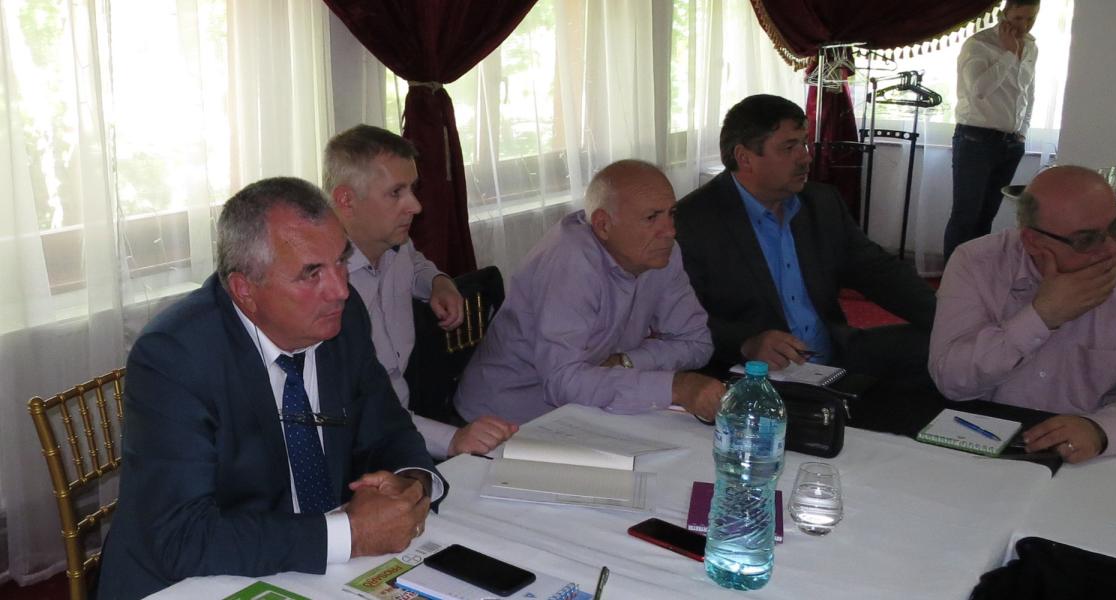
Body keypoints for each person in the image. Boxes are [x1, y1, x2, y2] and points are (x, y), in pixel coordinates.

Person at [98, 178, 447, 598]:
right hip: (192, 582)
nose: (340, 289)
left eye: (340, 260)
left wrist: (411, 486)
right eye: (312, 273)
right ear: (245, 290)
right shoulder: (175, 357)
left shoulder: (342, 318)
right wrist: (349, 534)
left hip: (314, 571)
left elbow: (388, 429)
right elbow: (182, 536)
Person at [929, 166, 1116, 464]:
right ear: (1032, 240)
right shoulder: (977, 262)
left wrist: (1101, 430)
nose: (1112, 249)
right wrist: (1041, 316)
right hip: (983, 443)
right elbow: (952, 380)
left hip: (1096, 458)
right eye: (1087, 239)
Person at [674, 94, 936, 381]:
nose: (805, 157)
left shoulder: (821, 203)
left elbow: (879, 272)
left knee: (946, 348)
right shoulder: (693, 221)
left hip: (834, 352)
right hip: (758, 372)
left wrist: (949, 317)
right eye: (789, 148)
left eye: (805, 143)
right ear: (744, 158)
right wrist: (745, 343)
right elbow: (677, 318)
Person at [453, 160, 725, 425]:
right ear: (603, 225)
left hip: (585, 411)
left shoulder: (662, 254)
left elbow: (697, 342)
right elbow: (563, 382)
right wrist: (674, 387)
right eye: (651, 218)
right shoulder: (570, 263)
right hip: (506, 421)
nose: (669, 231)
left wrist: (627, 361)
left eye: (671, 214)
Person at [324, 124, 518, 459]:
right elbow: (363, 412)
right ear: (346, 199)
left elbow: (415, 263)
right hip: (354, 447)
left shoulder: (395, 244)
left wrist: (438, 281)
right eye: (396, 193)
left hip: (406, 423)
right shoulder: (324, 293)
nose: (415, 206)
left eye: (412, 189)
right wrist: (452, 440)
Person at [943, 0, 1040, 260]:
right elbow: (979, 90)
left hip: (1011, 143)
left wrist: (1022, 131)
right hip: (976, 139)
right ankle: (952, 277)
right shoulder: (979, 44)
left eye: (1031, 18)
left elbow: (1027, 94)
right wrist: (1009, 54)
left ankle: (977, 276)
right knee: (965, 216)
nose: (1024, 25)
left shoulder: (1031, 46)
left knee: (987, 216)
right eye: (1018, 18)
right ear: (1004, 13)